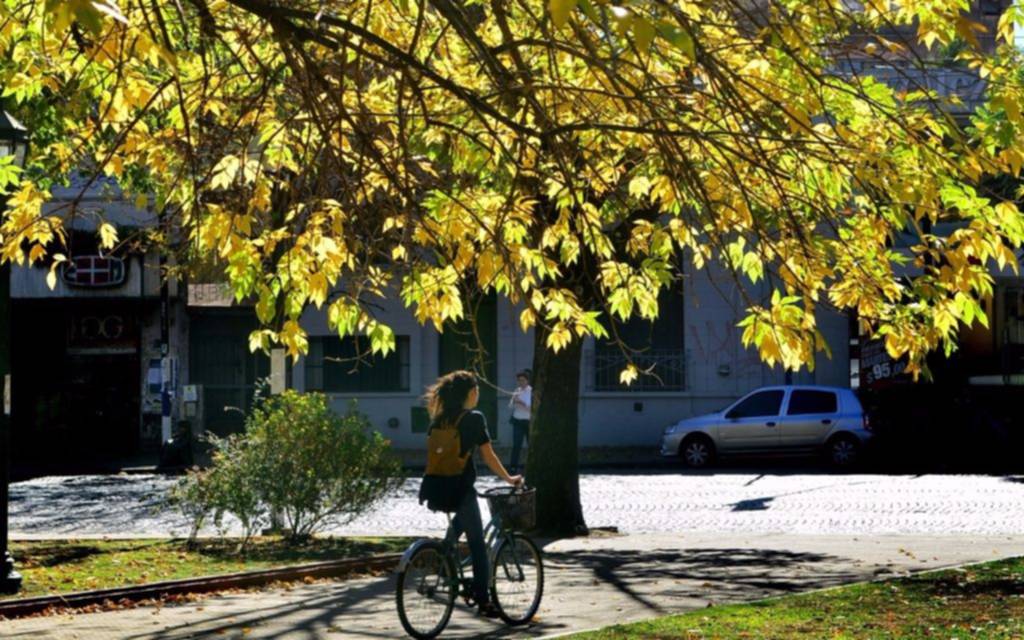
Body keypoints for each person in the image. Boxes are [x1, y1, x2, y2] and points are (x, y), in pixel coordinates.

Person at [420, 370, 521, 617]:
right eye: (476, 390)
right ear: (471, 392)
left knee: (461, 523)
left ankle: (443, 558)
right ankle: (484, 601)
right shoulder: (474, 418)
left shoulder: (440, 418)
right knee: (478, 546)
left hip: (434, 486)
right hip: (460, 487)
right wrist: (509, 478)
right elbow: (488, 456)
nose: (478, 394)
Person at [508, 369, 532, 472]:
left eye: (523, 380)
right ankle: (513, 467)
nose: (521, 382)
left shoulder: (531, 391)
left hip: (528, 422)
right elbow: (510, 406)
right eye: (519, 380)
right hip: (517, 421)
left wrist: (520, 403)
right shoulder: (517, 391)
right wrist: (514, 400)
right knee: (516, 445)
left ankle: (532, 467)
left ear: (527, 381)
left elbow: (530, 408)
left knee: (531, 445)